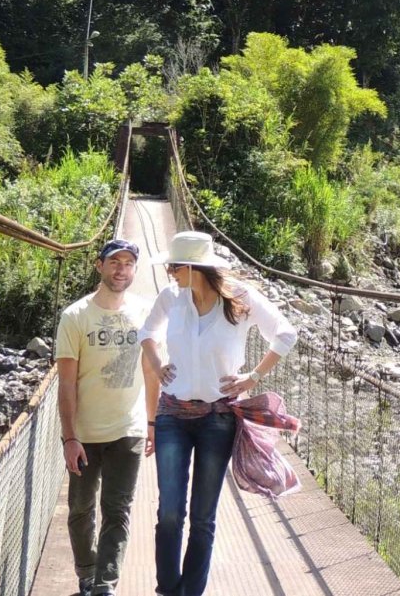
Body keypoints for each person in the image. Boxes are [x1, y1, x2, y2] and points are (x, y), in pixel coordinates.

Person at [138, 230, 298, 596]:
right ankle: (168, 589)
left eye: (174, 267)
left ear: (193, 267)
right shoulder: (171, 298)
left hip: (218, 419)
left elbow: (285, 334)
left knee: (202, 517)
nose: (170, 274)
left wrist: (252, 377)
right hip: (172, 416)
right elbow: (146, 332)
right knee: (170, 512)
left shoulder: (240, 299)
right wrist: (157, 362)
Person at [54, 238, 157, 596]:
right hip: (83, 432)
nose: (121, 269)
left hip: (127, 430)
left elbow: (150, 371)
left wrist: (152, 422)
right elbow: (66, 382)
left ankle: (104, 585)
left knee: (117, 511)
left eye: (128, 263)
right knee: (81, 510)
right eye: (115, 262)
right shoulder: (75, 316)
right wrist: (69, 437)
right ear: (99, 266)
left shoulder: (146, 313)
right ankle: (87, 571)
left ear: (134, 270)